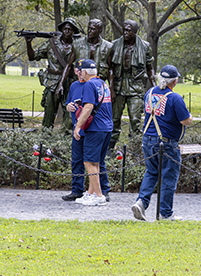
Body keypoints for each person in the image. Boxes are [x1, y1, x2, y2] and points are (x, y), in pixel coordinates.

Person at [131, 65, 193, 221]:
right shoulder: (174, 98)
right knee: (169, 177)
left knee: (151, 172)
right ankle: (165, 213)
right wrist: (190, 117)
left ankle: (141, 203)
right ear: (175, 81)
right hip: (166, 142)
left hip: (148, 139)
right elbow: (185, 120)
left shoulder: (149, 93)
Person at [61, 60, 112, 203]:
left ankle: (100, 195)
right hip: (106, 127)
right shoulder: (102, 83)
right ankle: (90, 193)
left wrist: (77, 126)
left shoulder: (89, 84)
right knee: (92, 162)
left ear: (84, 72)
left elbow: (88, 107)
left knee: (90, 163)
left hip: (95, 128)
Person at [107, 20, 155, 150]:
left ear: (135, 32)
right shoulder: (114, 45)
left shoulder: (145, 46)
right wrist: (111, 89)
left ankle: (135, 148)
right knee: (114, 118)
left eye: (128, 30)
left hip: (136, 87)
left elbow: (150, 68)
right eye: (124, 30)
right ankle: (110, 148)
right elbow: (109, 68)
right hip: (118, 86)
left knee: (135, 119)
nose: (125, 33)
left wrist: (155, 86)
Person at [27, 17, 81, 129]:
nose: (67, 31)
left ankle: (66, 137)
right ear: (61, 29)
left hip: (70, 83)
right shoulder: (51, 43)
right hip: (52, 83)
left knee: (70, 112)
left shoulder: (78, 46)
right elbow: (32, 57)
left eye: (70, 29)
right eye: (65, 28)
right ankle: (46, 137)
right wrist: (28, 43)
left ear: (74, 31)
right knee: (49, 113)